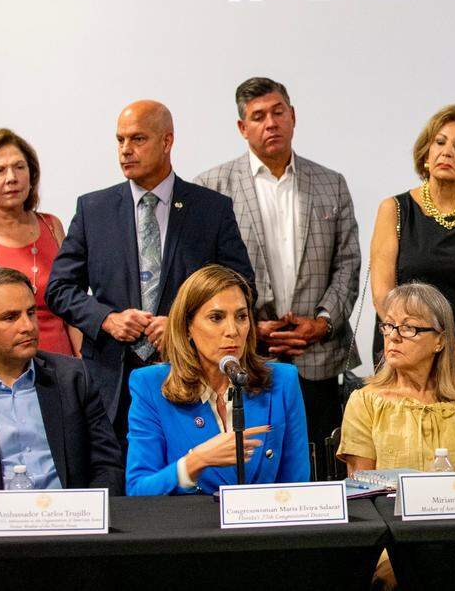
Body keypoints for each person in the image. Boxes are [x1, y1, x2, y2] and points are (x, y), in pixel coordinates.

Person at [46, 100, 254, 445]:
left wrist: (179, 322)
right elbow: (58, 288)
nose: (126, 150)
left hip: (189, 373)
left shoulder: (211, 209)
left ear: (167, 141)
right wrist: (106, 318)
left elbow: (243, 286)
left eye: (138, 139)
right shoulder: (93, 209)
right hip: (112, 382)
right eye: (120, 140)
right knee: (122, 487)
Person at [194, 77, 361, 473]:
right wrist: (251, 327)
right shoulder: (212, 186)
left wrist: (322, 322)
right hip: (245, 356)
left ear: (293, 116)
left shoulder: (330, 183)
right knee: (255, 462)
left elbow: (348, 263)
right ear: (242, 128)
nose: (270, 123)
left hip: (317, 356)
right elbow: (205, 277)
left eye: (277, 112)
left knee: (319, 464)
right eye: (258, 116)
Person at [126, 265, 309, 494]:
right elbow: (138, 490)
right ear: (187, 327)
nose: (232, 330)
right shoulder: (150, 385)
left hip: (264, 526)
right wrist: (196, 461)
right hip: (192, 527)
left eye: (241, 317)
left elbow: (298, 487)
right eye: (216, 317)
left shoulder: (283, 381)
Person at [370, 104, 455, 393]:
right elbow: (383, 294)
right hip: (402, 358)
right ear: (427, 152)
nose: (447, 152)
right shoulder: (394, 209)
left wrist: (452, 356)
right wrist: (414, 348)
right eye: (440, 142)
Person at [0, 268, 123, 499]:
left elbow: (107, 465)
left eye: (31, 313)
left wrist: (87, 517)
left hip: (71, 523)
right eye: (10, 317)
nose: (27, 326)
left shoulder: (72, 378)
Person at [340, 281, 455, 473]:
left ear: (439, 341)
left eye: (408, 328)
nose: (393, 336)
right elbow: (362, 491)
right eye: (389, 325)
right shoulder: (366, 402)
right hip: (389, 504)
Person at [0, 129, 79, 359]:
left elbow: (72, 307)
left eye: (19, 167)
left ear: (31, 175)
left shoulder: (52, 226)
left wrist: (84, 366)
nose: (11, 178)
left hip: (58, 369)